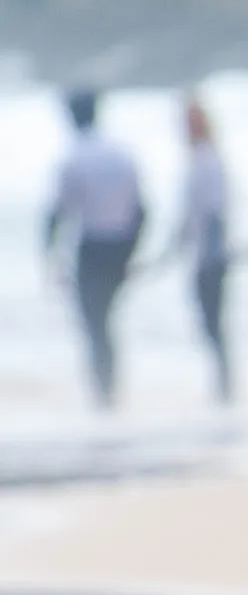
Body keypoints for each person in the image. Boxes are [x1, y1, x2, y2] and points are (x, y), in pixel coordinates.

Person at [40, 88, 143, 410]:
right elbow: (142, 210)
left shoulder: (72, 158)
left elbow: (57, 213)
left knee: (94, 322)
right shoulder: (122, 153)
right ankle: (110, 391)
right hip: (120, 244)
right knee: (106, 320)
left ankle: (104, 395)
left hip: (92, 246)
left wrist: (48, 254)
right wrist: (132, 252)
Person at [171, 90, 232, 405]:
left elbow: (213, 215)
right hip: (204, 254)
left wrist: (209, 255)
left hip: (210, 256)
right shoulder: (200, 159)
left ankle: (224, 391)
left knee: (213, 325)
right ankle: (222, 390)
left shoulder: (207, 161)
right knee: (210, 326)